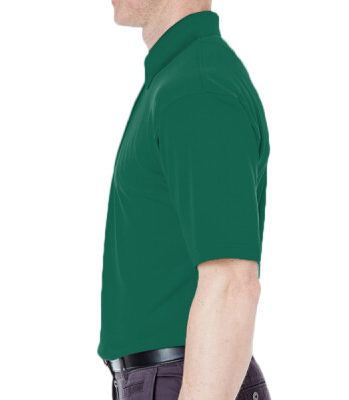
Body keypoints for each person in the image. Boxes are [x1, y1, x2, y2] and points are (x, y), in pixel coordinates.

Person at [98, 1, 271, 399]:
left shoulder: (196, 87)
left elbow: (231, 283)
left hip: (179, 378)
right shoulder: (178, 78)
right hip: (167, 377)